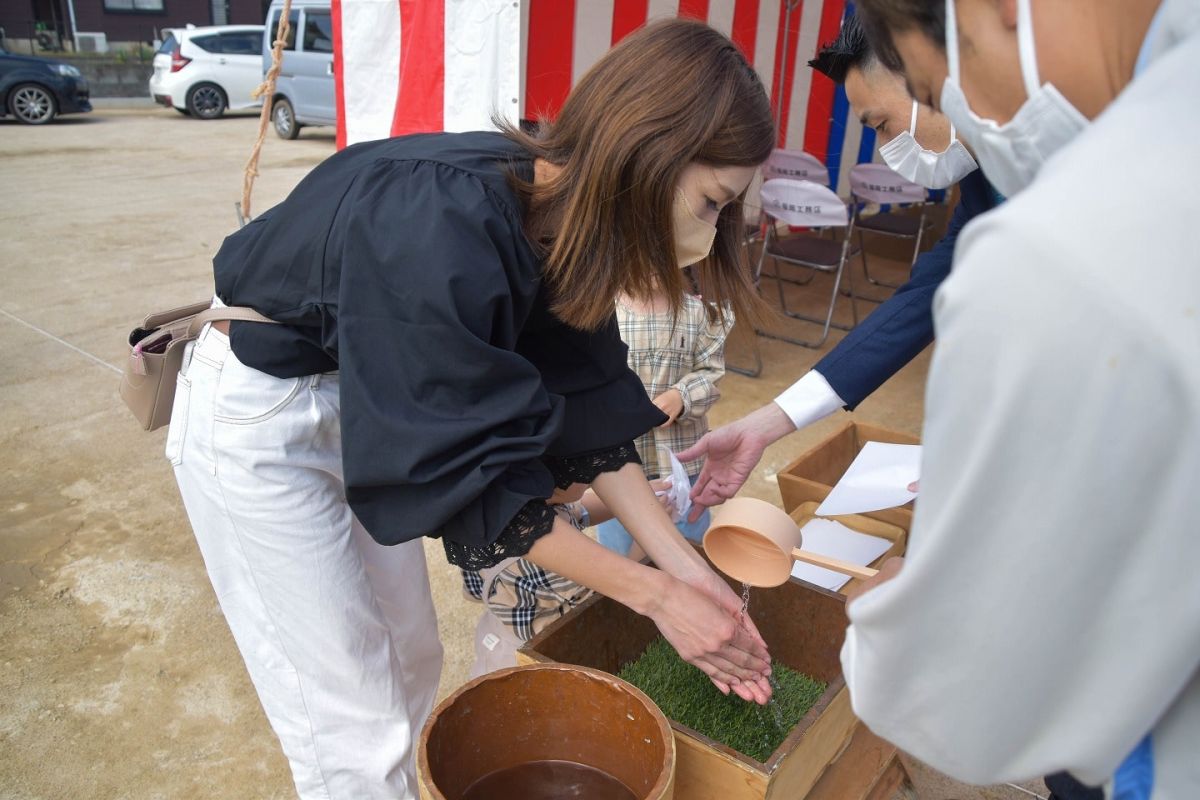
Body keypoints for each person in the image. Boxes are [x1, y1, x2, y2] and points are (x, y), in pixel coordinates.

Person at [166, 19, 776, 800]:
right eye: (712, 202)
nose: (712, 229)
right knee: (349, 723)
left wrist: (686, 569)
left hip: (369, 397)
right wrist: (657, 599)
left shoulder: (564, 223)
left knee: (412, 657)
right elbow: (464, 473)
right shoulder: (440, 214)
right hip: (263, 413)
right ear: (646, 147)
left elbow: (590, 408)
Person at [834, 1, 1200, 798]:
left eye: (933, 91)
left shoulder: (1063, 252)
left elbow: (964, 696)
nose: (967, 119)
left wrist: (889, 617)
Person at [680, 13, 998, 514]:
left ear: (927, 71)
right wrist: (771, 421)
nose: (887, 145)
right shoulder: (985, 183)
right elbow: (923, 298)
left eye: (882, 124)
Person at [596, 288, 734, 557]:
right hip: (619, 463)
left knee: (687, 542)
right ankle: (623, 594)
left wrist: (682, 396)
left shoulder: (699, 314)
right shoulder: (599, 312)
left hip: (680, 462)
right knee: (620, 543)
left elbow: (711, 372)